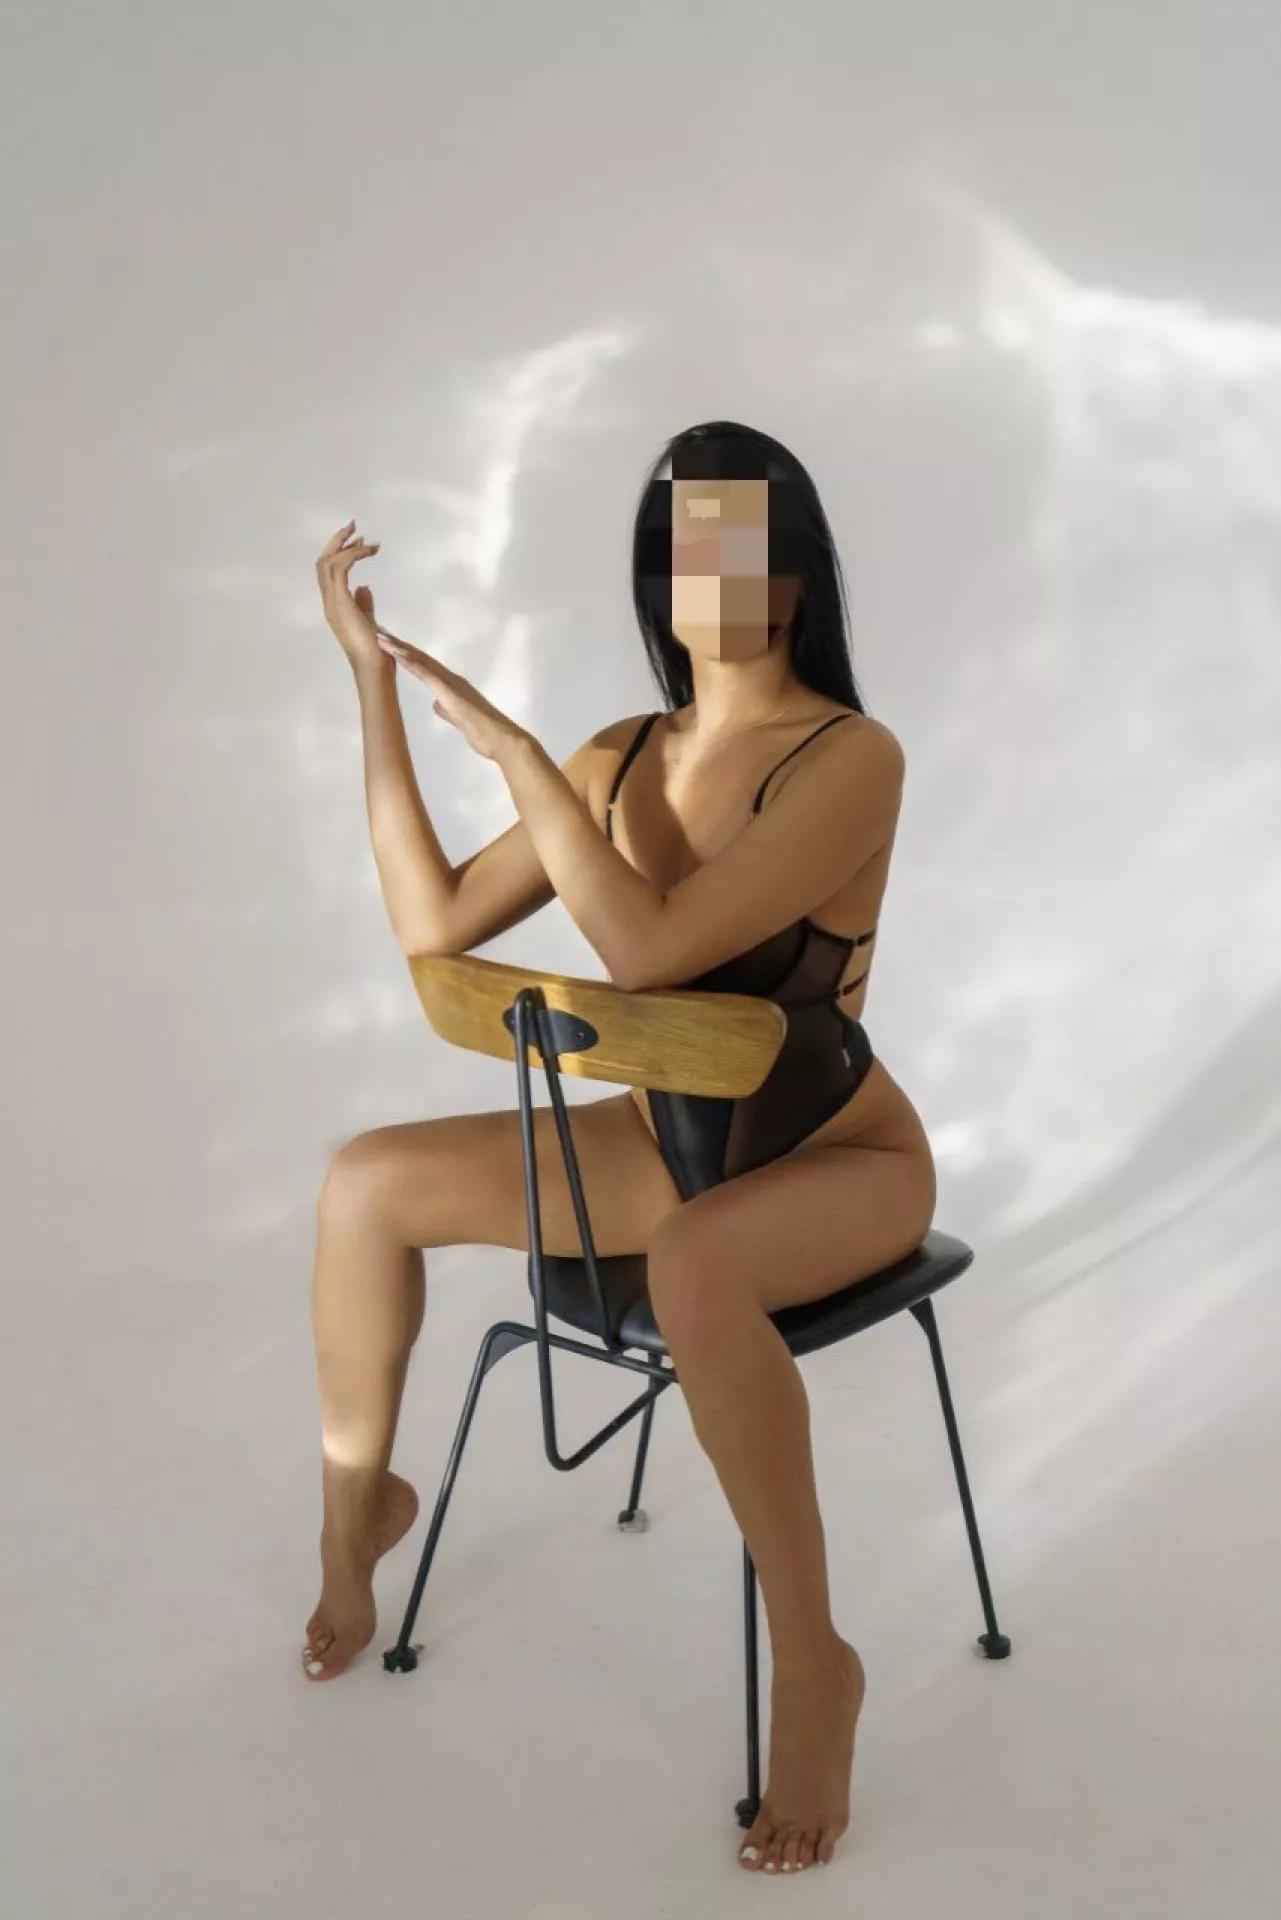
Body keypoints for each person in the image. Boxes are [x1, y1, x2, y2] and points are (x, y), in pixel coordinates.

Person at [304, 420, 937, 1876]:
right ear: (660, 577)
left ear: (798, 573)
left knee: (700, 1264)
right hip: (665, 1144)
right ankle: (356, 1518)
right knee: (365, 1182)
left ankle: (817, 1664)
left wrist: (525, 761)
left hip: (837, 1162)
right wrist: (374, 689)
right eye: (688, 549)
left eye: (746, 547)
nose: (717, 580)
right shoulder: (621, 756)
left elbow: (652, 951)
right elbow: (434, 925)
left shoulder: (849, 757)